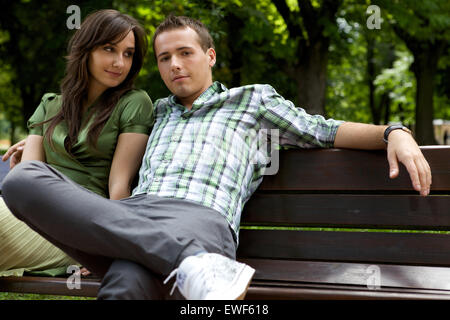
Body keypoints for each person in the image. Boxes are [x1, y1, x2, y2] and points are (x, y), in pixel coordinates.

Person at [2, 15, 431, 300]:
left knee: (127, 286)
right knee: (20, 181)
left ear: (209, 56)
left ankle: (191, 260)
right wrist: (37, 143)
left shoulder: (252, 101)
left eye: (185, 53)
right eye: (164, 58)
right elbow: (94, 157)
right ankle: (193, 264)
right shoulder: (155, 110)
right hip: (138, 218)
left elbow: (326, 129)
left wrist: (395, 132)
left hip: (200, 218)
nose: (174, 65)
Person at [0, 9, 153, 278]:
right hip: (32, 214)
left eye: (128, 54)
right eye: (109, 49)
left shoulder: (133, 103)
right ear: (87, 50)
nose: (119, 62)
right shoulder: (50, 105)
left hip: (79, 227)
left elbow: (119, 186)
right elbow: (29, 178)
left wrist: (115, 250)